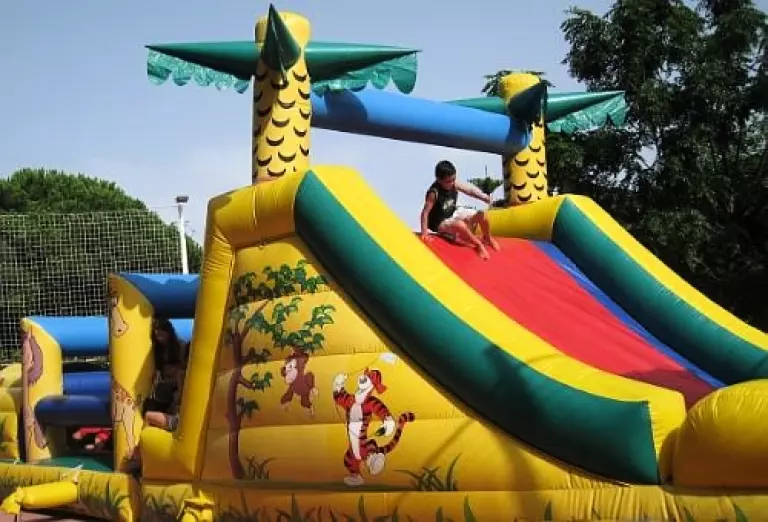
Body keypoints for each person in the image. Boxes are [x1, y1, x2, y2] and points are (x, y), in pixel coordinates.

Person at [124, 317, 188, 475]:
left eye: (161, 335)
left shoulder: (179, 349)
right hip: (167, 389)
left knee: (151, 415)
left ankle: (139, 455)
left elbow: (180, 377)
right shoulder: (159, 351)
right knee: (150, 407)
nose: (159, 339)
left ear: (168, 333)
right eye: (157, 335)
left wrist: (177, 383)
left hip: (174, 394)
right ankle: (142, 455)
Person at [420, 160, 501, 260]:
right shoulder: (434, 193)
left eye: (453, 179)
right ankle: (478, 244)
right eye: (448, 181)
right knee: (460, 225)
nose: (452, 183)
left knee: (482, 214)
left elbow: (469, 191)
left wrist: (483, 197)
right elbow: (425, 213)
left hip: (453, 213)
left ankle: (487, 238)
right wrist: (424, 233)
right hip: (440, 223)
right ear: (439, 180)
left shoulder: (454, 183)